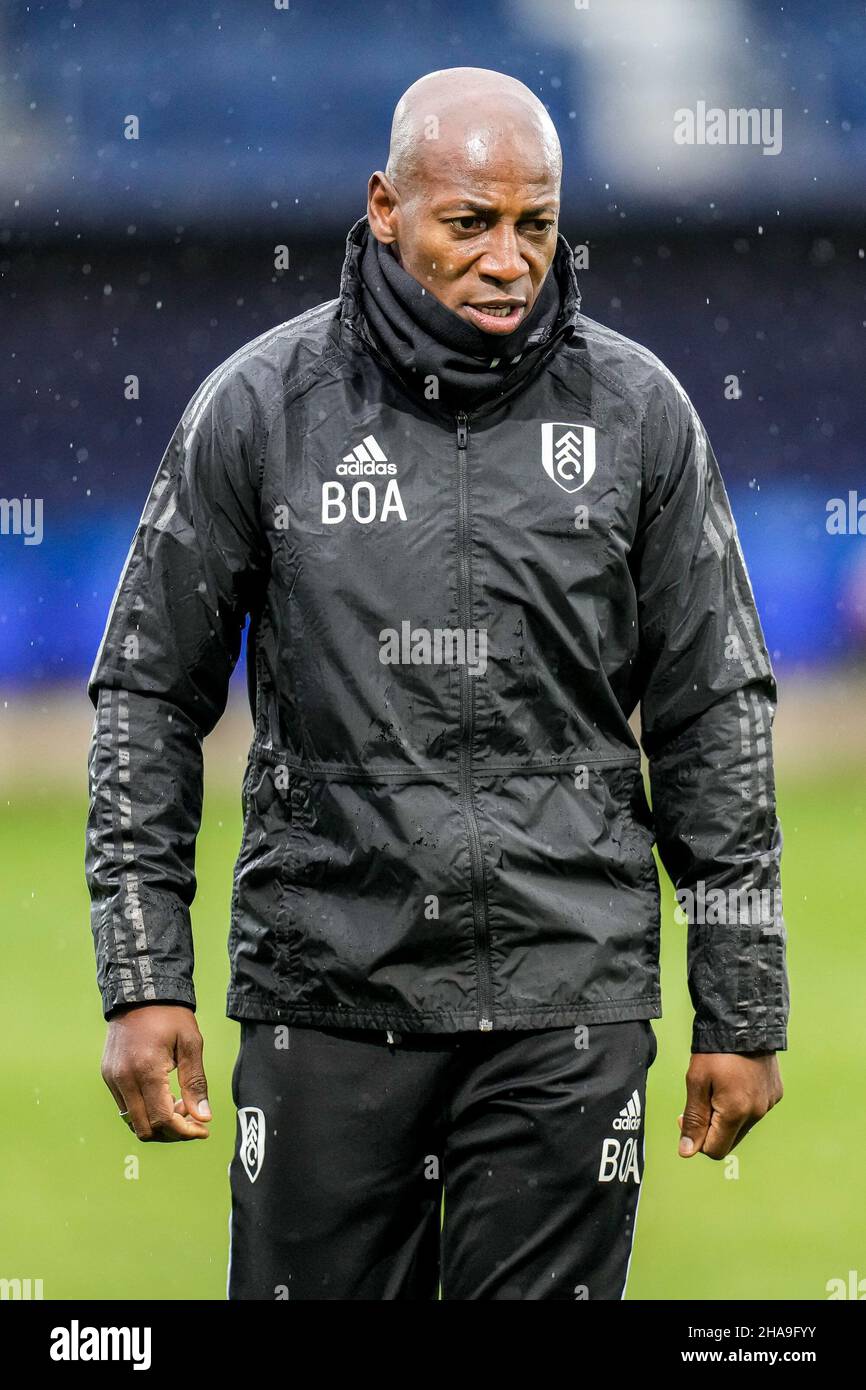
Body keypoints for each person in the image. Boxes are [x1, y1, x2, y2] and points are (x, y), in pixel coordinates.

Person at [86, 67, 788, 1301]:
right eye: (471, 222)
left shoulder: (639, 415)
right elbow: (148, 694)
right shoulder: (258, 409)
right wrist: (144, 976)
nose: (509, 259)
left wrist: (738, 1003)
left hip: (565, 1006)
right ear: (384, 208)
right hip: (328, 995)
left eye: (535, 224)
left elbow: (711, 711)